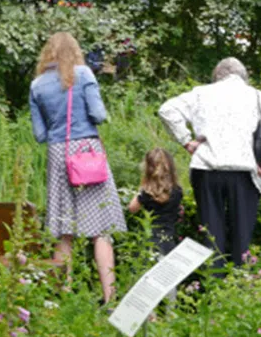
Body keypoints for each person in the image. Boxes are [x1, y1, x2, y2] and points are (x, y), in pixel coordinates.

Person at [158, 57, 261, 271]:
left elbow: (167, 110)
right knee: (242, 234)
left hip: (207, 169)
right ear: (243, 77)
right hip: (244, 172)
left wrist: (186, 140)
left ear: (216, 76)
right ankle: (240, 284)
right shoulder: (255, 96)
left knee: (211, 235)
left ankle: (214, 285)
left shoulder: (200, 93)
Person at [29, 32, 126, 304]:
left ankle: (64, 298)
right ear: (75, 52)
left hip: (58, 155)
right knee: (101, 230)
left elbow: (39, 134)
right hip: (87, 153)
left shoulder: (37, 85)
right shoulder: (83, 74)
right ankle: (110, 299)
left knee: (64, 230)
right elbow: (98, 114)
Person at [128, 148, 183, 258]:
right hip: (168, 241)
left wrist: (141, 190)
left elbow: (132, 208)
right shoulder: (177, 191)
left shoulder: (147, 193)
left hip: (149, 241)